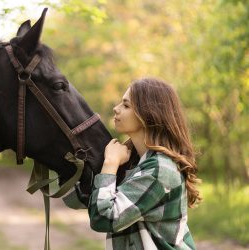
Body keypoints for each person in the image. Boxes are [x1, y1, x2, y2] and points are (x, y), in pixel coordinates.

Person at [63, 77, 201, 249]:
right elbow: (79, 200)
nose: (116, 108)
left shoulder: (160, 170)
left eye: (126, 105)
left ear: (148, 115)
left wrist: (110, 164)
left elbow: (103, 218)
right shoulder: (135, 162)